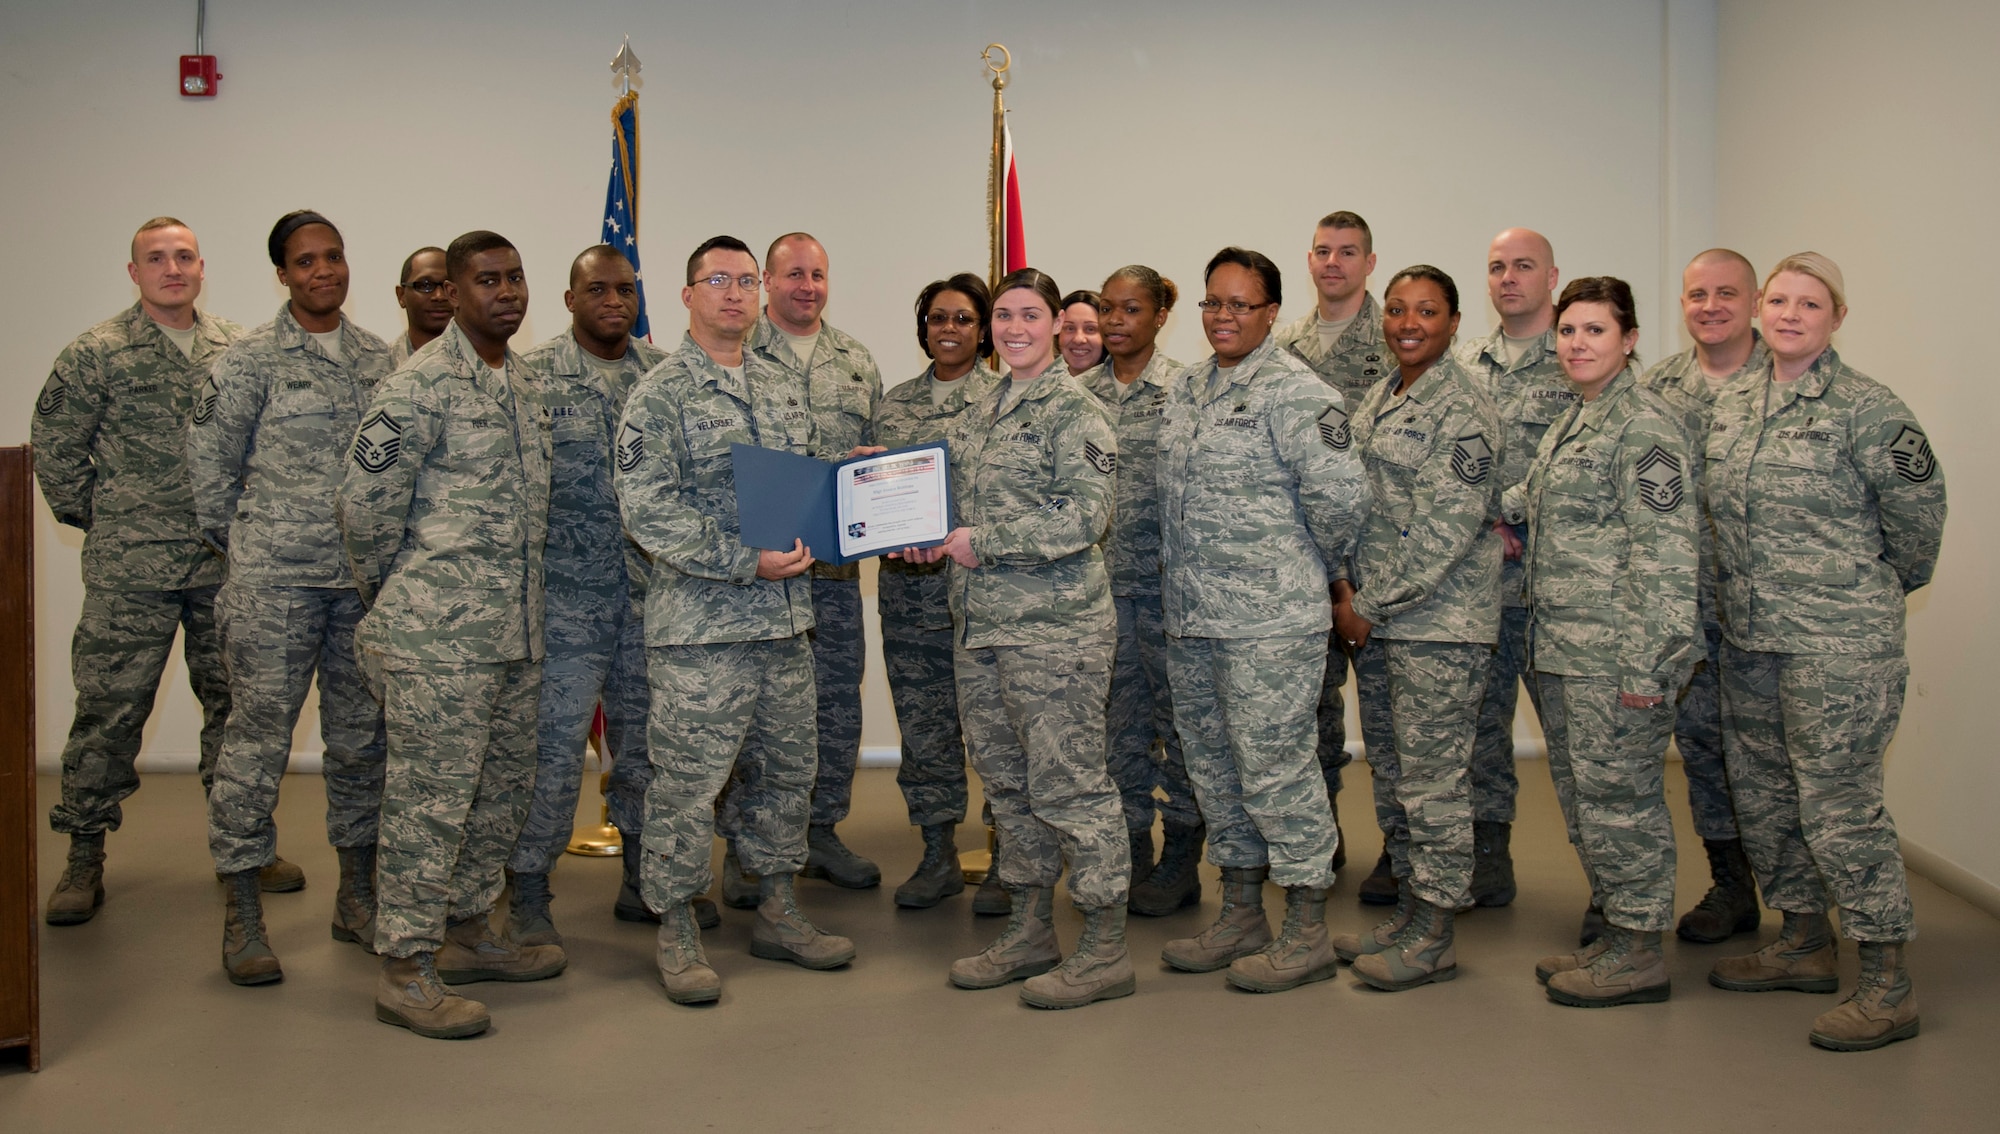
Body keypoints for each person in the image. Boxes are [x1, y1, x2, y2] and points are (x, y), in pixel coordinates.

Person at [1703, 252, 1944, 1052]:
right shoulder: (1733, 403)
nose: (1790, 313)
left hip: (1839, 646)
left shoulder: (1870, 410)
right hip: (1751, 639)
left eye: (1811, 303)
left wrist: (1858, 598)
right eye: (1778, 300)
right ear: (1760, 311)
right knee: (1769, 799)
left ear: (1836, 317)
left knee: (1841, 809)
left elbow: (1917, 526)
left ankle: (1887, 983)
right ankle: (1804, 941)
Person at [615, 236, 857, 1005]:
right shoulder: (659, 394)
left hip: (786, 625)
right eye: (717, 280)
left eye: (747, 281)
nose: (734, 293)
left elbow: (811, 486)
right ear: (687, 295)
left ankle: (780, 909)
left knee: (788, 773)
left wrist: (864, 485)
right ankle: (678, 926)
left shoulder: (783, 386)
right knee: (687, 784)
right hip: (702, 631)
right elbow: (647, 510)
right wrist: (738, 559)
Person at [339, 230, 564, 1039]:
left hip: (515, 636)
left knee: (497, 798)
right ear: (451, 293)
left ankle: (467, 931)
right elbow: (364, 513)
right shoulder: (416, 388)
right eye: (486, 281)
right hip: (438, 643)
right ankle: (404, 966)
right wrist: (402, 602)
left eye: (515, 278)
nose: (506, 293)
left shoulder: (525, 386)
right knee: (427, 807)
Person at [904, 267, 1130, 1010]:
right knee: (1008, 786)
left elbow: (1082, 517)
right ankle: (1032, 928)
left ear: (1059, 323)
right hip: (982, 628)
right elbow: (949, 508)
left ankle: (1104, 946)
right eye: (1003, 315)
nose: (1014, 328)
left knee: (1071, 784)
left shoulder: (1078, 411)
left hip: (1056, 632)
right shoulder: (981, 409)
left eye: (1031, 315)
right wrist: (923, 537)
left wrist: (982, 541)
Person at [1154, 248, 1369, 993]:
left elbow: (1342, 500)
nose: (1223, 317)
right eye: (1214, 302)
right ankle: (1241, 910)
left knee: (1278, 770)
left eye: (1240, 304)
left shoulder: (1298, 393)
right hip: (1194, 620)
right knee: (1215, 771)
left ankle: (1307, 926)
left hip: (1271, 625)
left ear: (1272, 312)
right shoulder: (1185, 389)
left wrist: (1307, 571)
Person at [191, 210, 395, 984]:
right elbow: (210, 479)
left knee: (360, 746)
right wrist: (257, 548)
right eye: (306, 261)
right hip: (274, 588)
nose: (324, 271)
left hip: (359, 591)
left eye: (334, 256)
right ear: (282, 274)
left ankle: (357, 899)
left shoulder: (380, 359)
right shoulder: (246, 363)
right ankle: (242, 914)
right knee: (256, 746)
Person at [33, 217, 252, 927]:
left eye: (183, 256)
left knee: (237, 709)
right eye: (156, 258)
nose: (172, 268)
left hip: (221, 566)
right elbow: (56, 448)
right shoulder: (96, 354)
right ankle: (84, 854)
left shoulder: (236, 348)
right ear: (134, 273)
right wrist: (111, 521)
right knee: (110, 709)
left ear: (200, 266)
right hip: (131, 570)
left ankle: (240, 853)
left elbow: (260, 441)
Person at [1510, 277, 1697, 1006]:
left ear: (1629, 340)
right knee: (1589, 802)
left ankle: (1642, 951)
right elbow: (1535, 499)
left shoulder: (1644, 427)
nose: (1578, 344)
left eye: (1595, 330)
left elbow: (1667, 555)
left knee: (1624, 803)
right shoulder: (1579, 417)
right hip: (1564, 650)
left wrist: (1648, 667)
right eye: (1568, 331)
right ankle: (1620, 936)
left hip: (1616, 657)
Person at [1330, 265, 1503, 992]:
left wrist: (1365, 605)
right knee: (1397, 774)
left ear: (1454, 321)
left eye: (1426, 311)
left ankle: (1436, 931)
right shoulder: (1382, 393)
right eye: (1397, 309)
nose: (1407, 322)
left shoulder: (1464, 407)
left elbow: (1444, 533)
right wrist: (1349, 592)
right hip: (1379, 622)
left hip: (1436, 624)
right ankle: (1408, 908)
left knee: (1434, 783)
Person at [504, 246, 672, 947]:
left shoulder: (664, 376)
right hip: (565, 604)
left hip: (646, 601)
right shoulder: (530, 377)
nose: (614, 301)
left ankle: (642, 874)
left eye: (626, 290)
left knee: (647, 747)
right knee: (551, 753)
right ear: (569, 300)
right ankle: (527, 888)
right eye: (597, 289)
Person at [716, 232, 886, 896]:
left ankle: (819, 832)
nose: (807, 286)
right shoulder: (737, 353)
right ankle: (743, 848)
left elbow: (869, 455)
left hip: (836, 576)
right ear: (765, 280)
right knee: (756, 714)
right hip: (762, 575)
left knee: (836, 703)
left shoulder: (856, 361)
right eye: (793, 274)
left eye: (817, 274)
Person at [1643, 248, 1773, 944]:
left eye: (1727, 293)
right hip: (1689, 616)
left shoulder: (1784, 381)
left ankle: (1807, 905)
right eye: (1698, 294)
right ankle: (1732, 886)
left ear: (1754, 301)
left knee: (1774, 757)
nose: (1711, 306)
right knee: (1702, 752)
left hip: (1774, 618)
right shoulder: (1659, 388)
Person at [1456, 227, 1574, 912]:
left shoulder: (1583, 354)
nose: (1509, 278)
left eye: (1523, 266)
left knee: (1577, 743)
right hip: (1479, 588)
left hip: (1562, 592)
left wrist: (1511, 509)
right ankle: (1487, 856)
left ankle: (1612, 887)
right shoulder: (1466, 363)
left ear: (1552, 276)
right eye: (1498, 267)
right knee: (1479, 732)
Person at [1079, 265, 1203, 916]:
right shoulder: (1077, 393)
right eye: (1108, 308)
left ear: (1160, 316)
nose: (1116, 320)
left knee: (1181, 729)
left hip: (1170, 594)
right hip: (1100, 595)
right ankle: (1133, 852)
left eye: (1132, 309)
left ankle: (1183, 855)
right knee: (1118, 730)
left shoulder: (1186, 389)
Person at [1272, 210, 1388, 894]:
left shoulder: (1400, 337)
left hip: (1381, 557)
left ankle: (1406, 849)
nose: (1333, 262)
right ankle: (1321, 826)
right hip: (1306, 556)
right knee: (1309, 704)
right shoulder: (1282, 347)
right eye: (1322, 251)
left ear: (1370, 262)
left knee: (1390, 713)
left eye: (1348, 252)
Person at [876, 274, 999, 908]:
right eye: (937, 318)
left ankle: (1010, 859)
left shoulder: (1005, 400)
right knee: (924, 730)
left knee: (1001, 732)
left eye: (962, 319)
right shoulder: (893, 405)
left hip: (989, 598)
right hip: (911, 596)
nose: (948, 330)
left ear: (984, 331)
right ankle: (937, 853)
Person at [390, 246, 451, 364]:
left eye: (447, 286)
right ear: (401, 295)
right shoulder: (378, 365)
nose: (439, 296)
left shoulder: (487, 362)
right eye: (425, 285)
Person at [1059, 290, 1106, 375]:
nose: (1078, 339)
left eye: (1090, 329)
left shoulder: (1122, 385)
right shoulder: (1037, 384)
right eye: (1070, 328)